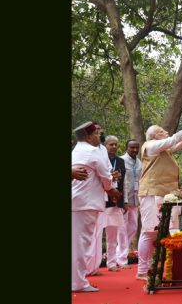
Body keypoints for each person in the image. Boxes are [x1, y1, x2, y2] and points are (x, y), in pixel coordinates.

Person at [135, 115, 182, 280]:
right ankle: (141, 270)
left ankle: (156, 266)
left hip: (165, 194)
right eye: (162, 131)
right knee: (149, 232)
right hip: (151, 193)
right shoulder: (151, 146)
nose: (167, 132)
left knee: (165, 230)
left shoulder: (163, 149)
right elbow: (174, 139)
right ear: (155, 136)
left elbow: (180, 142)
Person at [71, 122, 121, 293]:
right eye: (97, 134)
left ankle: (77, 280)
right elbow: (106, 178)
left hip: (78, 202)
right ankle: (78, 283)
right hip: (86, 203)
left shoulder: (77, 150)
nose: (100, 137)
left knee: (77, 243)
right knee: (82, 244)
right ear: (88, 136)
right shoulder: (92, 151)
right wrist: (112, 189)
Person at [89, 135, 127, 273]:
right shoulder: (100, 160)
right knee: (96, 235)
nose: (114, 147)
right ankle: (93, 266)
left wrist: (124, 201)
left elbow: (124, 183)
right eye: (111, 144)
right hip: (100, 202)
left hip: (115, 202)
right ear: (105, 146)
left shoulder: (121, 162)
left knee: (112, 235)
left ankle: (111, 263)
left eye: (116, 144)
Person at [118, 139, 142, 268]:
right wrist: (122, 201)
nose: (135, 150)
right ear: (127, 147)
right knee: (122, 229)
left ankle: (120, 254)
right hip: (124, 201)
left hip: (135, 200)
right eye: (132, 147)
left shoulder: (139, 163)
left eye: (136, 147)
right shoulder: (121, 160)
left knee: (132, 227)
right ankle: (121, 259)